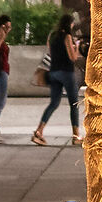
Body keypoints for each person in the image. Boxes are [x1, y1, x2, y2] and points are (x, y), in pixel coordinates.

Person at [36, 11, 83, 147]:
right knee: (74, 104)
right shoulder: (67, 36)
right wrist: (77, 46)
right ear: (70, 24)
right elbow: (73, 57)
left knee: (54, 103)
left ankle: (39, 131)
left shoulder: (52, 35)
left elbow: (50, 51)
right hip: (66, 73)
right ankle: (76, 136)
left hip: (53, 72)